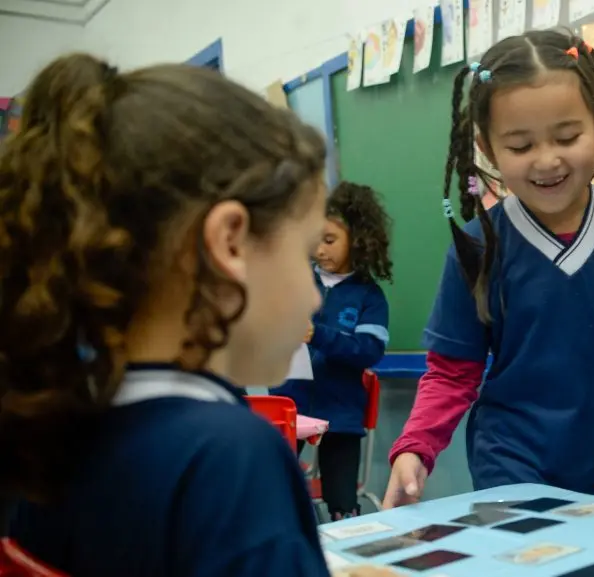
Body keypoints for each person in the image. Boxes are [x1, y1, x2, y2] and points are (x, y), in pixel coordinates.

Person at [0, 53, 394, 577]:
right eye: (302, 253)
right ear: (230, 243)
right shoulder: (231, 456)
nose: (315, 297)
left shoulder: (53, 421)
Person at [383, 29, 594, 508]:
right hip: (511, 466)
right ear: (488, 148)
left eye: (567, 137)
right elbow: (452, 371)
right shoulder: (478, 246)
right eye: (520, 146)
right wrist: (415, 447)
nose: (547, 160)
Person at [273, 181, 393, 521]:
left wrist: (318, 335)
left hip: (341, 416)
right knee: (276, 491)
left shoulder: (369, 297)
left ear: (358, 240)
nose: (319, 249)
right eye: (315, 240)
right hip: (290, 411)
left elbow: (369, 350)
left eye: (329, 240)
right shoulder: (296, 282)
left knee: (342, 503)